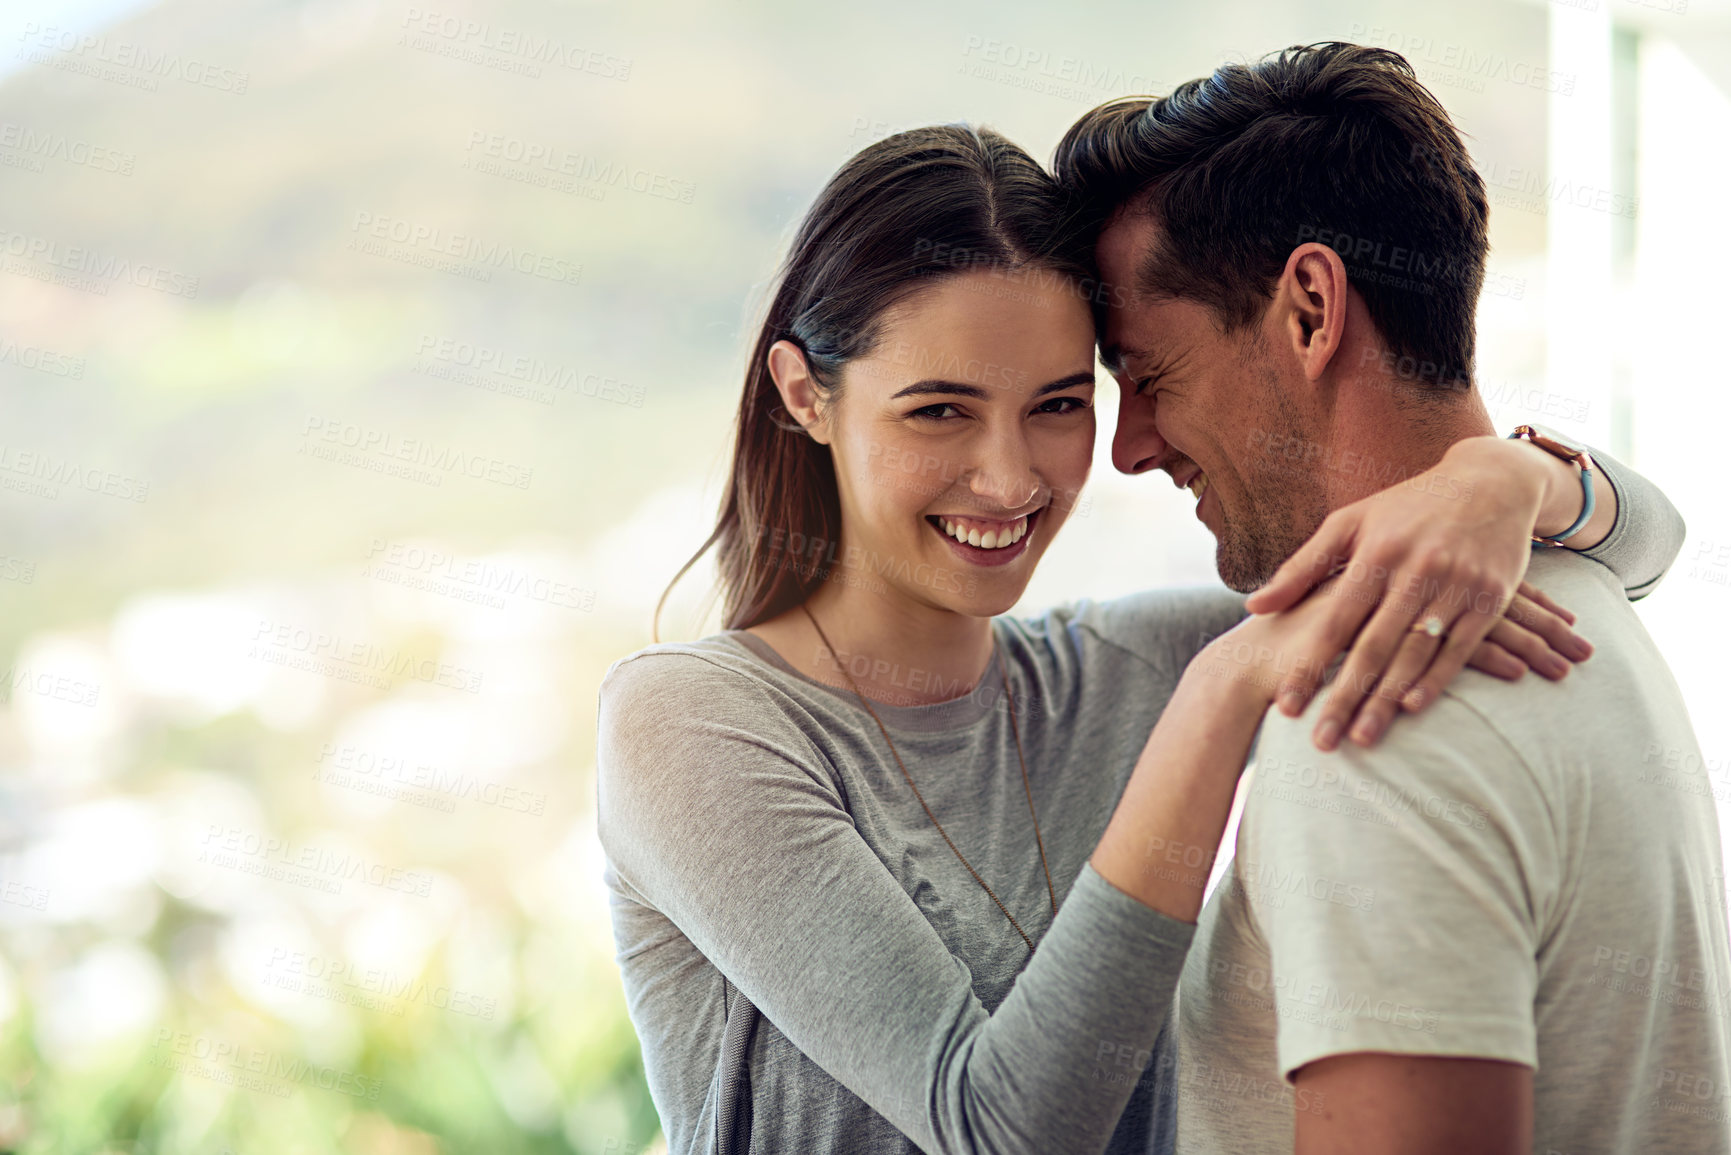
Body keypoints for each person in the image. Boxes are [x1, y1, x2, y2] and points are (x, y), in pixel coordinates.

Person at [596, 122, 1683, 1155]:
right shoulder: (689, 724)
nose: (1013, 477)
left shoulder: (1125, 670)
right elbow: (994, 1128)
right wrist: (1222, 696)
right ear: (805, 394)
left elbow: (1647, 552)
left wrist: (1510, 476)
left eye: (1061, 405)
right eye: (939, 412)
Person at [1056, 40, 1729, 1155]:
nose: (1127, 448)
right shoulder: (1582, 590)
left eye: (1149, 376)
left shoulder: (1374, 713)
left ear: (1312, 309)